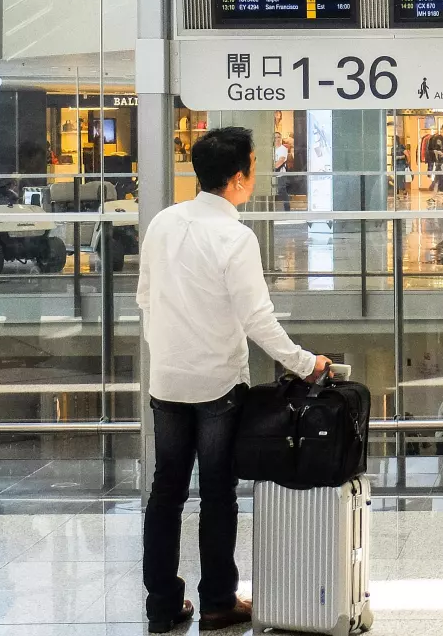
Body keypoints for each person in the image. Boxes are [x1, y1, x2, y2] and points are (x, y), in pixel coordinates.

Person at [137, 126, 332, 632]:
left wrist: (168, 348)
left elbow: (143, 298)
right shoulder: (235, 236)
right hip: (217, 384)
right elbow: (257, 320)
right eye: (253, 164)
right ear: (239, 176)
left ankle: (161, 606)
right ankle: (219, 600)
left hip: (166, 379)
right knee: (217, 492)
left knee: (166, 491)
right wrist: (304, 362)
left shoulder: (162, 222)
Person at [273, 132, 291, 211]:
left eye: (279, 137)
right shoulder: (271, 148)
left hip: (280, 173)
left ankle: (287, 209)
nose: (277, 139)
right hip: (272, 174)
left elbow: (281, 160)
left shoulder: (283, 149)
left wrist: (272, 168)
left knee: (282, 191)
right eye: (275, 137)